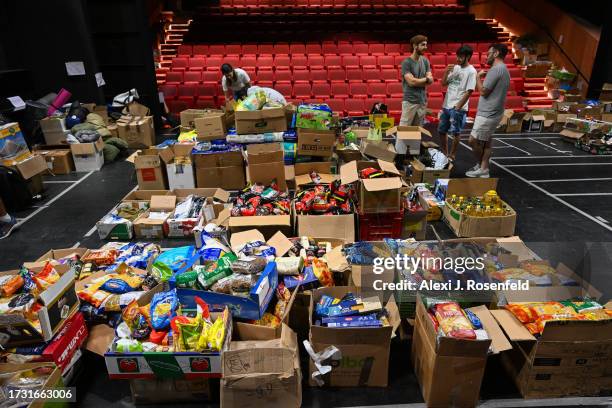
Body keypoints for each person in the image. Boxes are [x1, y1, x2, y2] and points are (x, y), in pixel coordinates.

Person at [466, 43, 511, 178]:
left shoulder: (496, 69)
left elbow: (483, 91)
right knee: (486, 142)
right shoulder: (503, 69)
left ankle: (483, 167)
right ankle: (483, 166)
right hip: (493, 112)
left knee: (473, 141)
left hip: (489, 113)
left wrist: (477, 78)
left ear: (496, 53)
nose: (487, 56)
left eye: (489, 53)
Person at [397, 35, 433, 166]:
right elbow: (411, 82)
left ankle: (412, 157)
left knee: (417, 130)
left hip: (422, 101)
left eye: (426, 44)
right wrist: (425, 80)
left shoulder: (425, 61)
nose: (425, 47)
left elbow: (431, 79)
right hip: (410, 101)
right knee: (404, 128)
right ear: (414, 46)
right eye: (423, 44)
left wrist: (423, 80)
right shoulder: (407, 62)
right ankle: (399, 158)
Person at [439, 45, 477, 161]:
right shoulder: (455, 68)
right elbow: (444, 83)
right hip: (447, 105)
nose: (458, 59)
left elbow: (469, 91)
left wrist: (458, 107)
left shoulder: (471, 71)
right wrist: (446, 72)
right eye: (457, 56)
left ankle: (453, 155)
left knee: (456, 132)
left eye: (461, 57)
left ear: (468, 57)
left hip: (458, 108)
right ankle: (445, 154)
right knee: (441, 130)